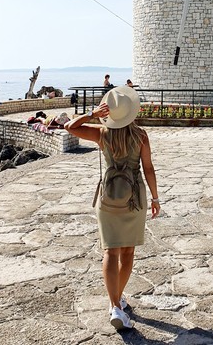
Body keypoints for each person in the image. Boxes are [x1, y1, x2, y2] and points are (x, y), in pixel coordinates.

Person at [64, 86, 159, 331]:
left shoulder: (101, 133)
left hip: (108, 196)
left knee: (110, 252)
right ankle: (117, 302)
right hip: (133, 197)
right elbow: (148, 168)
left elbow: (69, 128)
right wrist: (156, 199)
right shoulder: (141, 135)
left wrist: (91, 115)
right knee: (127, 253)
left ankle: (115, 304)